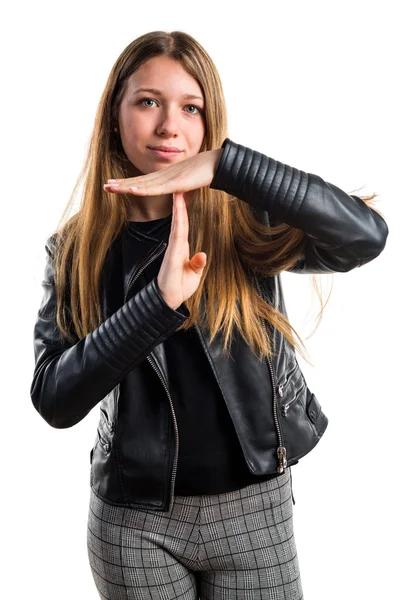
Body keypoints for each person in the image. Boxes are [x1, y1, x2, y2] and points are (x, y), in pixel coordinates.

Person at [30, 30, 388, 600]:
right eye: (148, 101)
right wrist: (158, 303)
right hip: (134, 525)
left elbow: (365, 238)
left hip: (255, 511)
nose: (170, 125)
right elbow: (54, 397)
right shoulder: (75, 250)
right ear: (115, 116)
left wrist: (229, 166)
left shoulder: (246, 223)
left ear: (209, 121)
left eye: (191, 108)